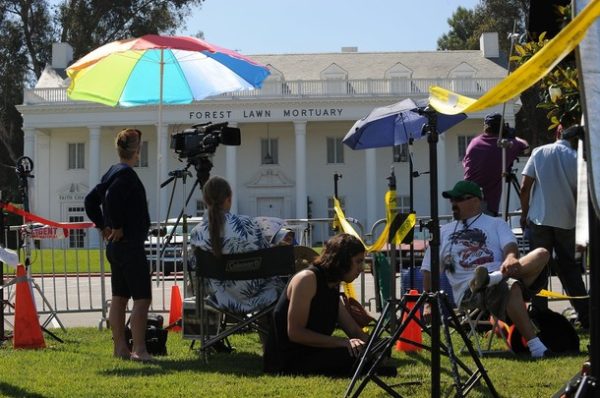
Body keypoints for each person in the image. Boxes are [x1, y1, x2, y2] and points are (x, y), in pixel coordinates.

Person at [421, 180, 552, 359]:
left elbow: (510, 246)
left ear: (475, 201)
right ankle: (536, 347)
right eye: (452, 200)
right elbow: (429, 269)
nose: (453, 204)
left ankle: (494, 277)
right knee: (509, 286)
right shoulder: (444, 232)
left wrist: (511, 258)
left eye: (458, 199)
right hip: (470, 290)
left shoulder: (496, 224)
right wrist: (428, 302)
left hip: (503, 274)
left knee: (542, 253)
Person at [265, 233, 380, 376]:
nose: (362, 268)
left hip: (312, 352)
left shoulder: (332, 283)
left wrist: (376, 346)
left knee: (363, 354)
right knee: (354, 356)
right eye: (358, 261)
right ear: (342, 260)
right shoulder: (307, 279)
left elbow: (353, 330)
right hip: (289, 358)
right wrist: (343, 342)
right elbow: (295, 333)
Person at [84, 128, 153, 362]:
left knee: (119, 298)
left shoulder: (112, 172)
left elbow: (90, 200)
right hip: (130, 245)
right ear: (137, 150)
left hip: (115, 248)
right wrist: (117, 226)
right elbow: (112, 198)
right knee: (142, 299)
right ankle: (140, 350)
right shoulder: (126, 176)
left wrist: (103, 226)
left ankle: (120, 348)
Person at [520, 125, 590, 329]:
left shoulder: (539, 151)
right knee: (569, 269)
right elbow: (581, 195)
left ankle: (540, 316)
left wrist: (524, 214)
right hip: (566, 222)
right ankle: (585, 315)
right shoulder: (578, 159)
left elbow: (525, 188)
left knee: (538, 268)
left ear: (559, 134)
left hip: (539, 219)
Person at [189, 176, 284, 315]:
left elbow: (194, 268)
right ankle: (269, 332)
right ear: (229, 199)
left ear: (205, 201)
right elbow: (266, 257)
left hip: (217, 299)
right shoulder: (249, 224)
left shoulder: (197, 232)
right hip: (257, 296)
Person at [463, 112, 529, 216]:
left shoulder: (474, 142)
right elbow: (525, 147)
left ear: (485, 127)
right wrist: (512, 137)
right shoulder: (504, 146)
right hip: (485, 204)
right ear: (502, 128)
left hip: (464, 201)